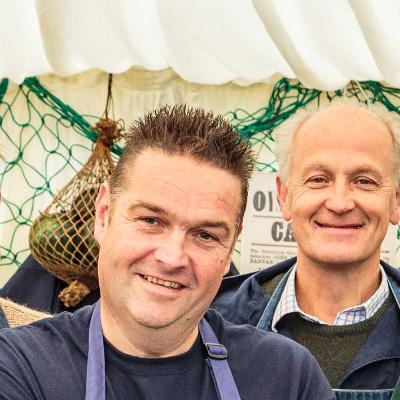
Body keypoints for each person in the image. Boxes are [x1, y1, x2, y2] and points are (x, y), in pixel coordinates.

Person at [0, 105, 334, 400]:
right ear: (104, 215)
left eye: (204, 234)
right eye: (151, 220)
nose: (172, 258)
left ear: (231, 246)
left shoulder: (287, 376)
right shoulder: (19, 366)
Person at [212, 99, 400, 400]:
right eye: (318, 179)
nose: (340, 202)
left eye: (364, 181)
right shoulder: (213, 321)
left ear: (396, 201)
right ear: (284, 196)